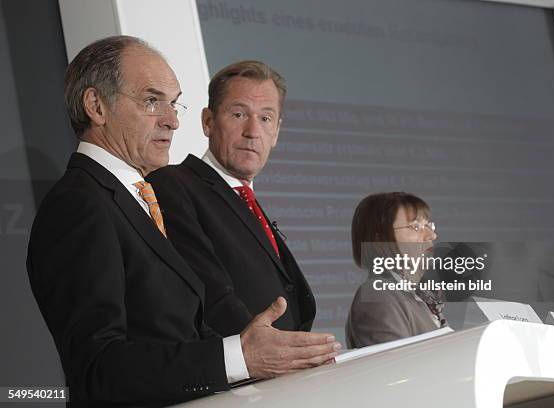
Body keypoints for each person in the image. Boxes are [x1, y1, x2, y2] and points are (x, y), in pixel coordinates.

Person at [26, 37, 339, 407]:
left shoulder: (135, 197)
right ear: (96, 105)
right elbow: (97, 370)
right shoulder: (78, 204)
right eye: (151, 101)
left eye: (173, 104)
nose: (172, 120)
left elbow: (175, 333)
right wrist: (239, 356)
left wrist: (251, 356)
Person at [148, 61, 315, 333]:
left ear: (276, 132)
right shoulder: (173, 186)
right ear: (208, 121)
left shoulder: (244, 198)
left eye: (265, 118)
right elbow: (206, 293)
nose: (252, 131)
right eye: (239, 114)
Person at [345, 192, 446, 348]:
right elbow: (398, 368)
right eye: (416, 226)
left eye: (428, 225)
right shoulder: (378, 293)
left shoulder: (419, 295)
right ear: (379, 241)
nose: (431, 235)